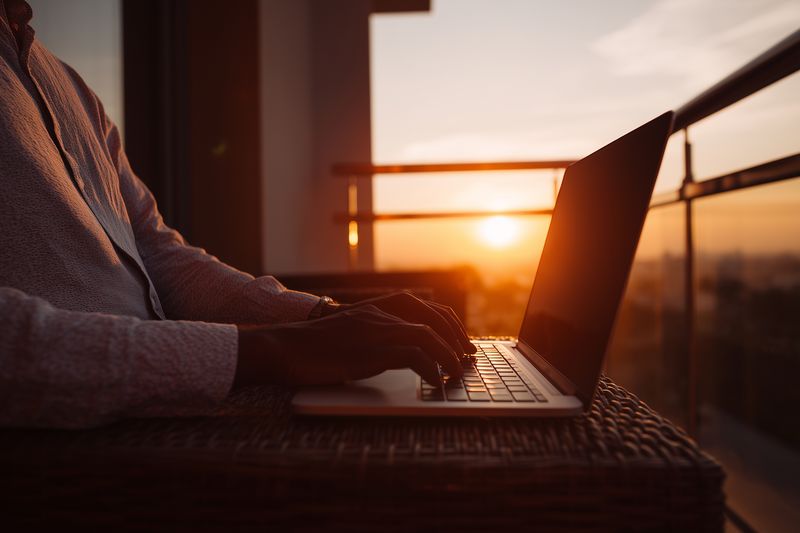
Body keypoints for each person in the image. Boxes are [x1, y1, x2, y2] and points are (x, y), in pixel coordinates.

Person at [0, 0, 474, 429]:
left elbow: (157, 253)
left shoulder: (67, 85)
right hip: (65, 451)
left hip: (171, 413)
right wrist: (274, 351)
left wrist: (317, 317)